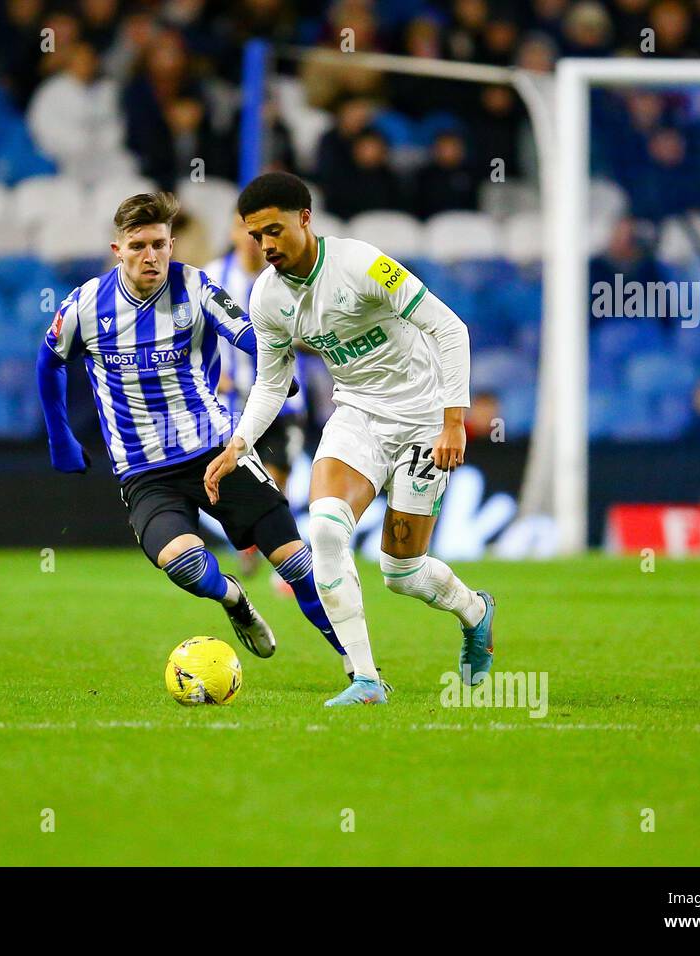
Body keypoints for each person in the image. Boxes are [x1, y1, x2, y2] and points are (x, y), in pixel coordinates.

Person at [205, 172, 497, 707]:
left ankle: (474, 611)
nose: (266, 245)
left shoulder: (363, 264)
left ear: (305, 219)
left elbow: (450, 329)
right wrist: (239, 442)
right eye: (255, 236)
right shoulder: (266, 297)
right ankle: (366, 681)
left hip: (424, 419)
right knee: (326, 529)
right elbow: (273, 382)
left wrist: (454, 421)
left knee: (401, 572)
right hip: (357, 414)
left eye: (275, 230)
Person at [37, 191, 348, 673]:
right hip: (145, 470)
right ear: (117, 249)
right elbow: (49, 361)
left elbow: (244, 330)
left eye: (159, 244)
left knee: (297, 566)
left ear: (172, 244)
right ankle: (233, 598)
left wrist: (274, 368)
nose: (151, 256)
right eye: (138, 245)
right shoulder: (85, 304)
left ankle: (358, 668)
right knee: (183, 564)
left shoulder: (197, 287)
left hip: (216, 451)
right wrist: (60, 438)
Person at [204, 211, 309, 583]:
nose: (252, 239)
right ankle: (253, 546)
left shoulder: (285, 275)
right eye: (244, 231)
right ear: (233, 233)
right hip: (234, 404)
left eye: (259, 232)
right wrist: (215, 375)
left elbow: (309, 330)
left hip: (285, 401)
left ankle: (278, 552)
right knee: (242, 475)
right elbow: (193, 332)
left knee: (277, 478)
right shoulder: (213, 277)